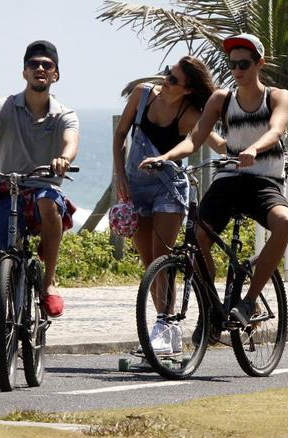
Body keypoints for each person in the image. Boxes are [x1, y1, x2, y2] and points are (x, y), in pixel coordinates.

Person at [141, 33, 288, 332]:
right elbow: (195, 139)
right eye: (233, 63)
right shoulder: (221, 100)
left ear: (259, 64)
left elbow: (276, 129)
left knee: (285, 223)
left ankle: (249, 301)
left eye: (245, 63)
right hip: (229, 179)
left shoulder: (278, 96)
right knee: (195, 243)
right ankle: (212, 307)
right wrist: (166, 157)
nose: (237, 70)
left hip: (264, 180)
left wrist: (253, 149)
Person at [0, 40, 79, 383]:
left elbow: (71, 141)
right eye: (34, 64)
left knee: (47, 201)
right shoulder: (5, 106)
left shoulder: (64, 114)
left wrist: (64, 159)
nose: (40, 69)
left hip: (42, 186)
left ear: (56, 73)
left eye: (47, 65)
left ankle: (49, 281)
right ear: (24, 71)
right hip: (5, 190)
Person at [114, 56, 224, 354]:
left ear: (188, 89)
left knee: (163, 258)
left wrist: (247, 148)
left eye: (173, 79)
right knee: (149, 261)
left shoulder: (189, 113)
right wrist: (119, 173)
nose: (166, 80)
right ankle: (169, 329)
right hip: (136, 188)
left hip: (168, 189)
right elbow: (121, 134)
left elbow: (209, 140)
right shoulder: (143, 95)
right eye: (167, 73)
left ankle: (164, 324)